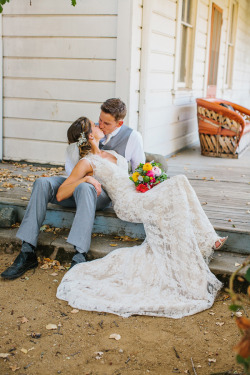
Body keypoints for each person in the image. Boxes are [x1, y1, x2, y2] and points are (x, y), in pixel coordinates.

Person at [56, 117, 227, 319]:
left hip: (137, 194)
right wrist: (85, 178)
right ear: (90, 136)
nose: (99, 125)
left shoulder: (108, 154)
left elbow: (125, 177)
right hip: (127, 203)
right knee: (178, 183)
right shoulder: (86, 162)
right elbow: (60, 193)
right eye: (95, 125)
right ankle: (204, 239)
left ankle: (205, 237)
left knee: (178, 184)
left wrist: (144, 180)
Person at [1, 98, 145, 280]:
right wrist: (84, 170)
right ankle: (27, 250)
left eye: (106, 123)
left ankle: (79, 255)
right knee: (42, 183)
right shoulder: (87, 130)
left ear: (119, 123)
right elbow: (71, 171)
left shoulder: (132, 138)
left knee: (85, 187)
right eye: (99, 120)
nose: (99, 124)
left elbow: (139, 172)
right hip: (77, 181)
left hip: (100, 192)